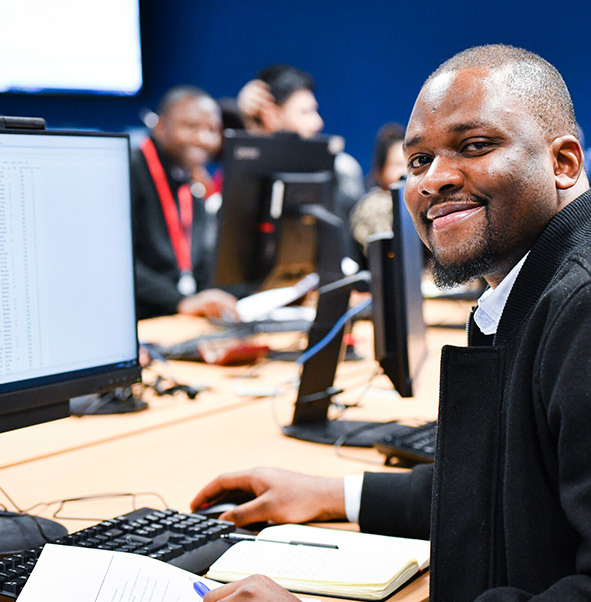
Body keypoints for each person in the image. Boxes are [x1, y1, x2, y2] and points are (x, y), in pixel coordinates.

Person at [190, 44, 591, 601]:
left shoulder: (582, 306)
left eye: (475, 146)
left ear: (563, 163)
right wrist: (333, 494)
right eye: (418, 160)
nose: (434, 179)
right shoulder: (534, 284)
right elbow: (503, 489)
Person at [237, 65, 365, 262]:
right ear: (271, 115)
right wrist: (251, 126)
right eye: (305, 112)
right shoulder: (246, 174)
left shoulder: (342, 170)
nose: (318, 122)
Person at [131, 85, 238, 320]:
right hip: (140, 318)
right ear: (160, 126)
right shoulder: (130, 168)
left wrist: (213, 297)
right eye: (191, 126)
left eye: (212, 130)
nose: (204, 139)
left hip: (177, 315)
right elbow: (118, 262)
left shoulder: (190, 179)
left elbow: (201, 262)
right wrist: (181, 302)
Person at [349, 122, 406, 254]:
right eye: (398, 164)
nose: (406, 172)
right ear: (380, 171)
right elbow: (387, 254)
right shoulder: (373, 205)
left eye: (411, 163)